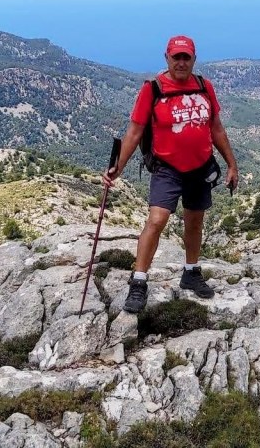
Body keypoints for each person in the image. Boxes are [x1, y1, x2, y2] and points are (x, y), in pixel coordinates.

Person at [102, 35, 239, 313]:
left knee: (195, 219)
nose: (181, 62)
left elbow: (216, 128)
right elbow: (135, 131)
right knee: (157, 219)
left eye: (186, 57)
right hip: (168, 168)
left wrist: (232, 164)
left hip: (200, 166)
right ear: (166, 58)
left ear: (194, 59)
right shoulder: (153, 90)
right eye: (176, 57)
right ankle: (139, 281)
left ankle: (191, 272)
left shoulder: (204, 87)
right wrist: (119, 166)